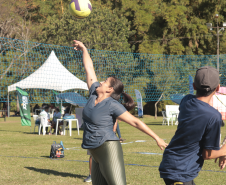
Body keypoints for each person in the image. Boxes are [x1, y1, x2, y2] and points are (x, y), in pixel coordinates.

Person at [73, 40, 168, 185]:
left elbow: (135, 122)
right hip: (94, 151)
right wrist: (84, 49)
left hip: (108, 148)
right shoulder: (93, 93)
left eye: (105, 81)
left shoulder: (112, 105)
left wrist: (157, 138)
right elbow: (89, 68)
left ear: (109, 90)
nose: (100, 82)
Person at [159, 66, 226, 185]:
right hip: (180, 171)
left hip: (174, 165)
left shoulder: (186, 101)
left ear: (194, 86)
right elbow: (208, 154)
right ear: (218, 88)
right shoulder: (213, 116)